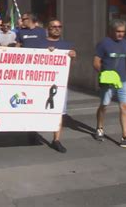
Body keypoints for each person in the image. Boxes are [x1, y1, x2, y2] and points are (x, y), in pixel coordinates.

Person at [25, 19, 76, 153]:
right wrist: (46, 53)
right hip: (41, 84)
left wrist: (72, 56)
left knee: (59, 112)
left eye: (59, 26)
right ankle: (33, 132)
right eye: (53, 26)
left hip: (60, 84)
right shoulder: (39, 43)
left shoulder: (67, 45)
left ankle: (56, 140)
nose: (56, 29)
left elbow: (69, 65)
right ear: (48, 28)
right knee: (37, 109)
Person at [93, 19, 126, 148]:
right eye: (118, 31)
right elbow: (96, 62)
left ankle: (125, 137)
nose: (121, 34)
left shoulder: (125, 43)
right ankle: (99, 128)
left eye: (123, 32)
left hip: (123, 80)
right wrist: (103, 74)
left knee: (125, 106)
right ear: (112, 31)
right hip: (108, 81)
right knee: (104, 105)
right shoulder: (103, 43)